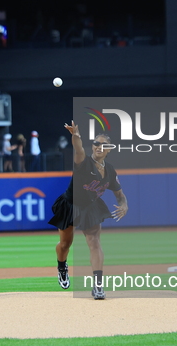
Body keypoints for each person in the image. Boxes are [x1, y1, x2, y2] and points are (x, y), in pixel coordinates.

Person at [48, 121, 128, 300]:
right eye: (96, 143)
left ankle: (98, 286)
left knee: (94, 242)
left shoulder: (110, 170)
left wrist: (124, 205)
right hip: (71, 204)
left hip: (91, 206)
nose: (99, 147)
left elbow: (119, 194)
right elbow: (78, 149)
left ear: (109, 149)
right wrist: (76, 135)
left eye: (103, 145)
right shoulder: (83, 162)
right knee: (65, 244)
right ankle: (62, 266)